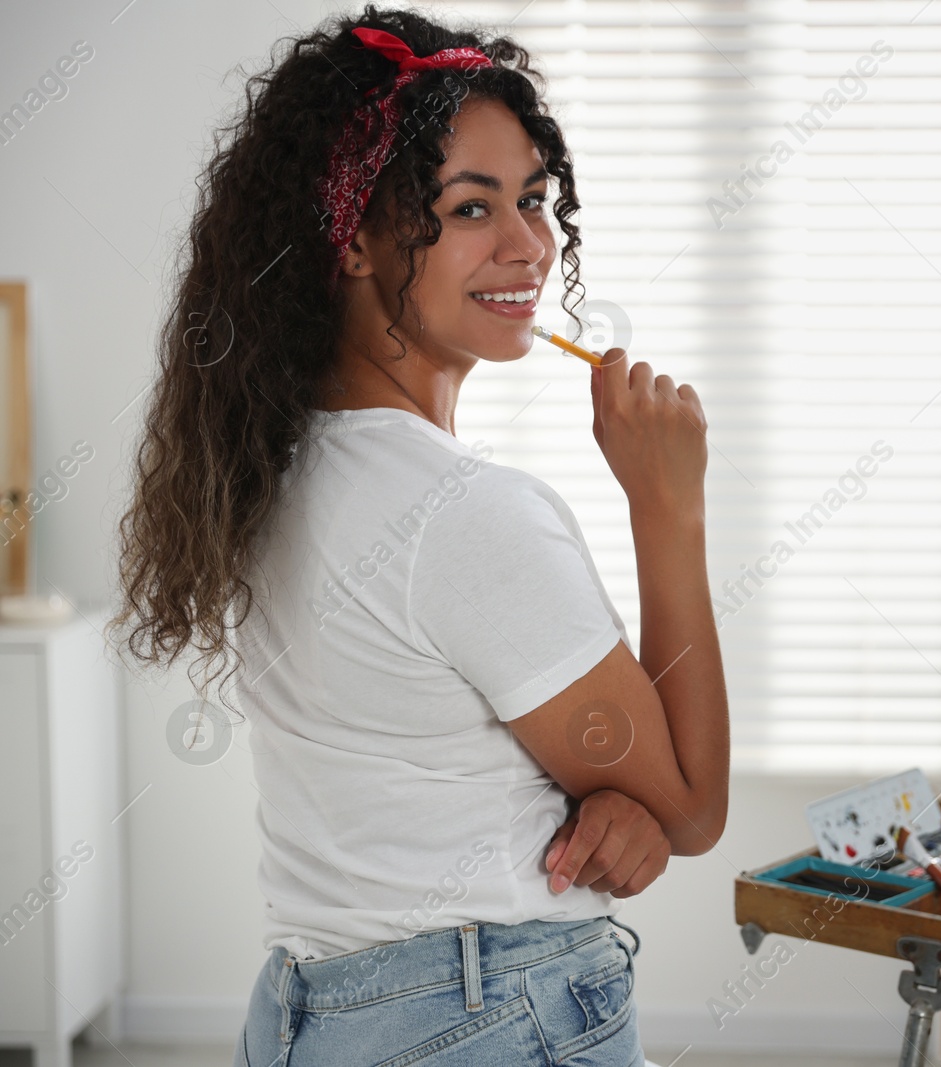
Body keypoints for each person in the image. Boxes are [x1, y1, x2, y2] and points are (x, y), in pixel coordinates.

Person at [109, 7, 728, 1064]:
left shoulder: (278, 469)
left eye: (533, 199)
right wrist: (668, 506)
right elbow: (697, 804)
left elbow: (442, 758)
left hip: (315, 1008)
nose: (528, 244)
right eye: (471, 207)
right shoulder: (465, 513)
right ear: (351, 237)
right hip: (479, 1016)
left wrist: (618, 796)